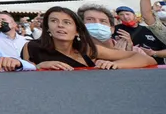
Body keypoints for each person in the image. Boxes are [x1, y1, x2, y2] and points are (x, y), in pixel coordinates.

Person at [21, 6, 156, 70]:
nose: (60, 25)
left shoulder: (88, 49)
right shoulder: (32, 47)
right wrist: (40, 67)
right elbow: (23, 76)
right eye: (54, 21)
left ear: (78, 31)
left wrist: (115, 65)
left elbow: (146, 59)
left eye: (67, 22)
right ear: (47, 27)